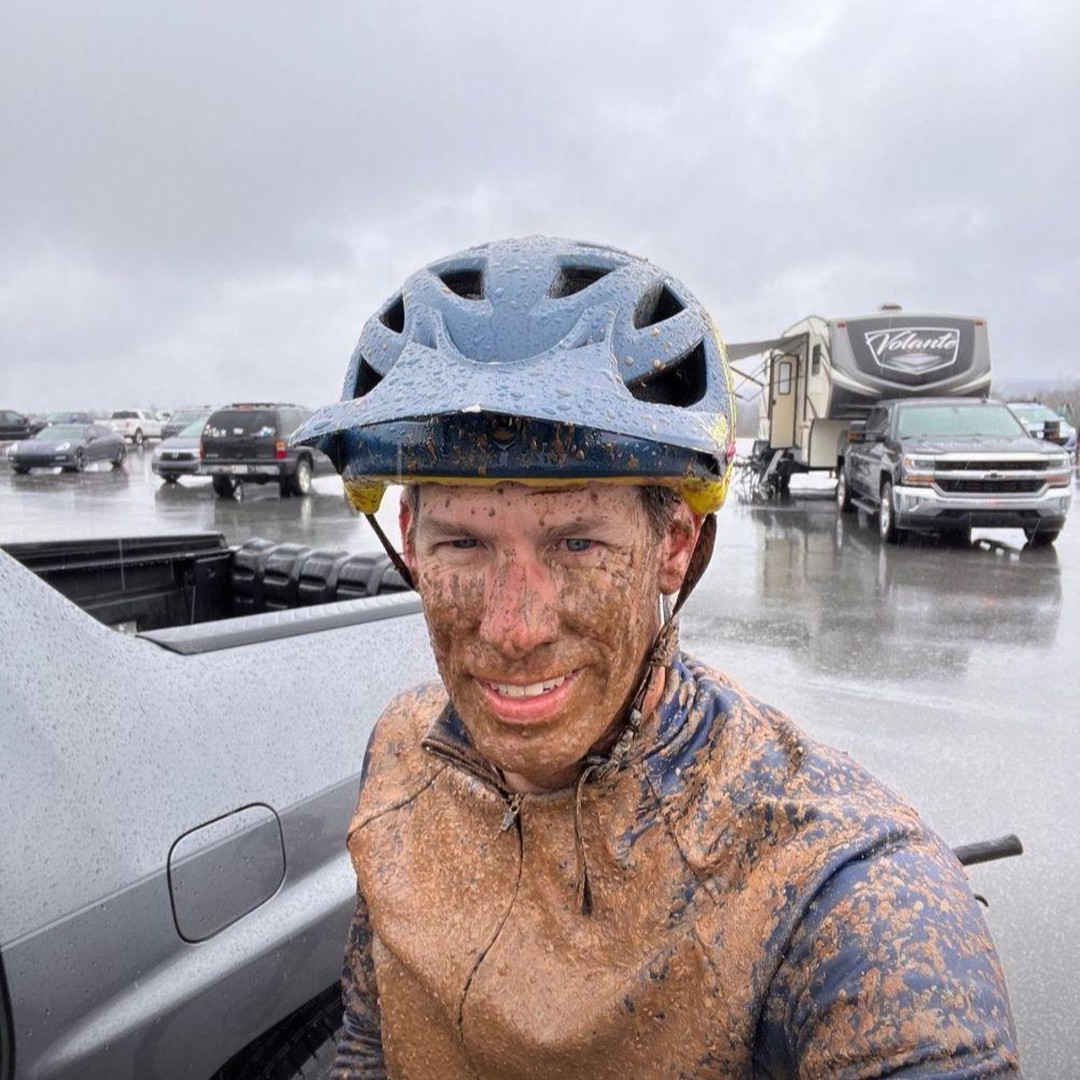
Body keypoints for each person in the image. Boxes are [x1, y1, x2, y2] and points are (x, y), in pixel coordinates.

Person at [294, 236, 1021, 1078]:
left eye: (576, 544)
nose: (512, 628)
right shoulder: (401, 748)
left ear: (675, 544)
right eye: (462, 541)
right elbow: (369, 1040)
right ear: (410, 544)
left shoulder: (829, 881)